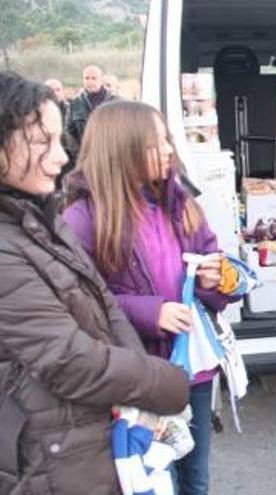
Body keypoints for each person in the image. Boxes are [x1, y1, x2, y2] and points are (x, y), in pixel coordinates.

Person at [0, 72, 189, 495]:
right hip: (51, 455)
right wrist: (163, 383)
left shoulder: (40, 217)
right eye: (40, 143)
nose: (59, 158)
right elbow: (69, 361)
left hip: (92, 439)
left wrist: (144, 387)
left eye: (58, 140)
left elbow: (104, 304)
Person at [62, 100, 236, 495]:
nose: (169, 150)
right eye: (156, 143)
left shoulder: (182, 202)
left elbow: (212, 257)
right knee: (153, 479)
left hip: (191, 369)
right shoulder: (84, 219)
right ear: (122, 150)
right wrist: (148, 312)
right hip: (136, 375)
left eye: (167, 140)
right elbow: (78, 302)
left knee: (196, 478)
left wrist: (217, 277)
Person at [66, 65, 117, 169]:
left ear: (101, 80)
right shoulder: (75, 103)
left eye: (94, 78)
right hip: (85, 161)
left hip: (113, 160)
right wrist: (78, 153)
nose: (90, 81)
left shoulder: (116, 102)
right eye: (86, 78)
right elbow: (68, 131)